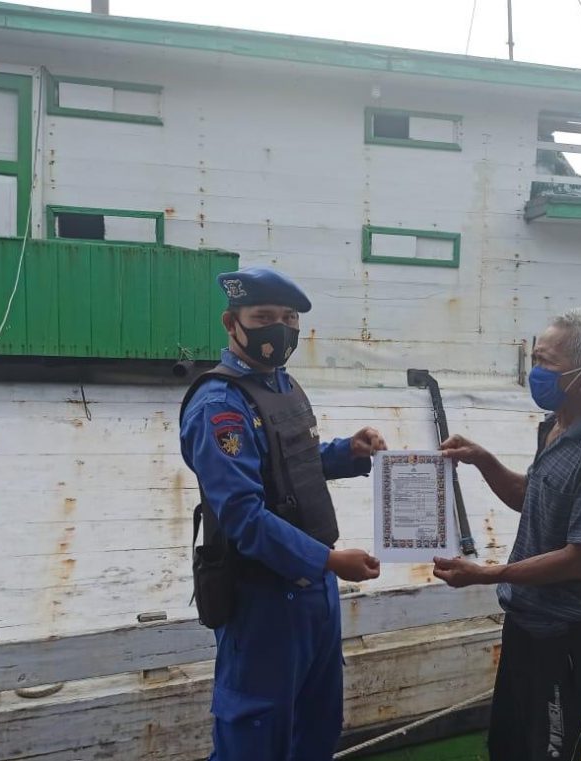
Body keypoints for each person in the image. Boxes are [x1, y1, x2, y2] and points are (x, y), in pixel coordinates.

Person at [179, 265, 386, 761]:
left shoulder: (282, 386)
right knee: (255, 736)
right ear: (232, 323)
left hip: (315, 593)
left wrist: (348, 453)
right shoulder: (220, 406)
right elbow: (243, 517)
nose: (279, 327)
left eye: (289, 318)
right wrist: (329, 561)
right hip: (264, 599)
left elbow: (291, 465)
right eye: (263, 316)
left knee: (317, 727)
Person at [432, 310, 581, 761]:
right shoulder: (555, 425)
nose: (535, 372)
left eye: (546, 362)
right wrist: (482, 459)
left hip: (568, 638)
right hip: (525, 623)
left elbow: (580, 561)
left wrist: (485, 574)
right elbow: (530, 497)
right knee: (510, 746)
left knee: (563, 752)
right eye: (535, 358)